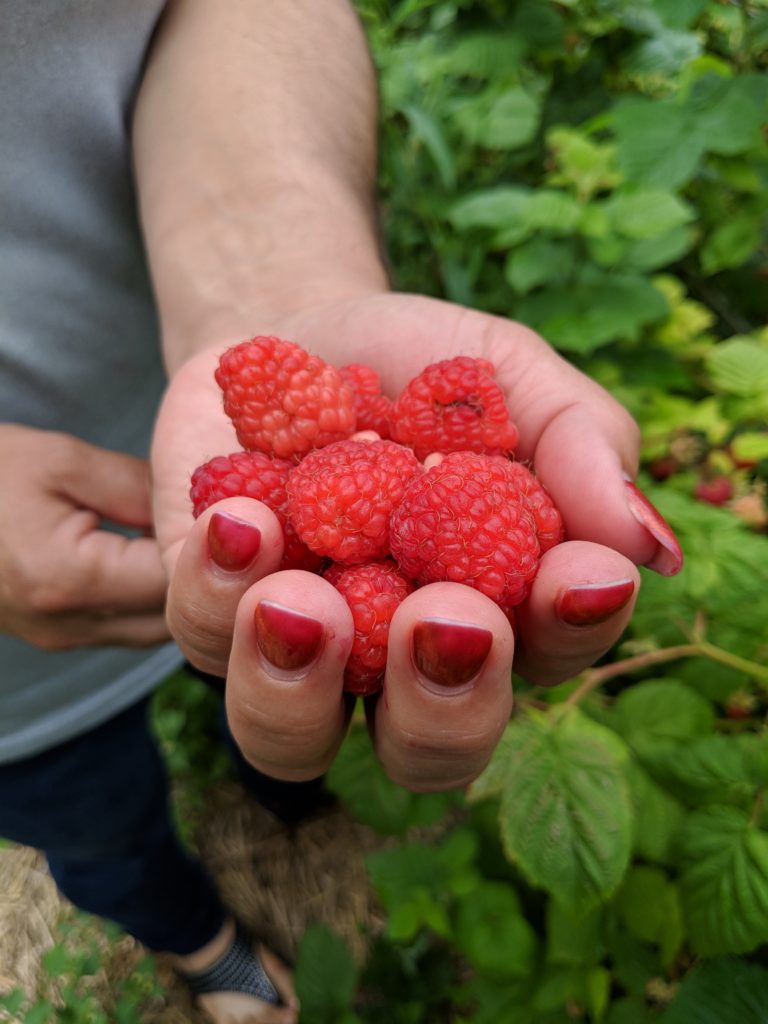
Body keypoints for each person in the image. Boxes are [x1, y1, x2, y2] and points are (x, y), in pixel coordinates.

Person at [0, 1, 683, 1021]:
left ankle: (287, 797)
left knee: (282, 686)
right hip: (18, 696)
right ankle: (200, 941)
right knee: (91, 825)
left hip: (212, 497)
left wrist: (279, 287)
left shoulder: (350, 470)